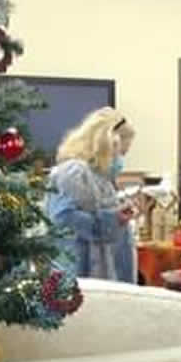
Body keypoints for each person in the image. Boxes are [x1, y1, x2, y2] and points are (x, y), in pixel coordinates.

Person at [46, 108, 137, 282]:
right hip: (79, 278)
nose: (120, 160)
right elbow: (63, 219)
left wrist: (118, 216)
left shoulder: (100, 178)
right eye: (120, 153)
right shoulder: (74, 172)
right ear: (107, 144)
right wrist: (111, 220)